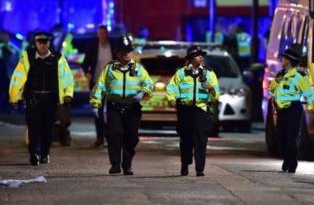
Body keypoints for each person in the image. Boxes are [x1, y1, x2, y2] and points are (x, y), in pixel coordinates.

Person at [90, 35, 153, 175]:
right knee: (114, 135)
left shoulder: (139, 69)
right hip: (115, 106)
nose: (125, 54)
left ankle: (127, 164)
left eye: (128, 51)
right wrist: (95, 104)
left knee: (131, 137)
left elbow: (149, 84)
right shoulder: (110, 69)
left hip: (133, 108)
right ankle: (115, 165)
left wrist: (142, 93)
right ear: (116, 52)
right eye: (122, 51)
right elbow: (100, 86)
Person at [9, 31, 74, 165]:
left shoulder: (58, 58)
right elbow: (18, 77)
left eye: (45, 42)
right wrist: (14, 97)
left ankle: (44, 154)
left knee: (47, 129)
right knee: (33, 128)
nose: (43, 45)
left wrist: (68, 94)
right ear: (35, 43)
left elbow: (67, 77)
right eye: (40, 42)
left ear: (49, 42)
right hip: (34, 99)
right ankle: (34, 154)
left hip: (50, 100)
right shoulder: (28, 57)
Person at [166, 45, 220, 177]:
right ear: (190, 58)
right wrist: (172, 98)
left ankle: (200, 168)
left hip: (201, 109)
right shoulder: (181, 73)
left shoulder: (210, 73)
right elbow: (172, 87)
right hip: (185, 109)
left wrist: (211, 88)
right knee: (185, 139)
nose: (201, 57)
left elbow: (216, 95)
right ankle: (185, 164)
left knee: (201, 139)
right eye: (197, 55)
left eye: (202, 55)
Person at [269, 44, 314, 173]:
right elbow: (272, 90)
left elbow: (309, 94)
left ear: (290, 61)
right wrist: (276, 81)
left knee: (291, 137)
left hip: (294, 109)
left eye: (284, 58)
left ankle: (292, 162)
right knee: (281, 137)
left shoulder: (299, 77)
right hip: (281, 110)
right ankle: (287, 158)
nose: (282, 60)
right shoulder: (280, 74)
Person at [82, 25, 114, 147]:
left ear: (107, 34)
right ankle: (100, 138)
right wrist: (87, 72)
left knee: (112, 111)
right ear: (97, 34)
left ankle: (110, 137)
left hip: (112, 84)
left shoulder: (113, 46)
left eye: (104, 33)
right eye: (100, 33)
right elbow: (85, 63)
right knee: (98, 111)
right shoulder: (93, 47)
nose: (102, 36)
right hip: (97, 82)